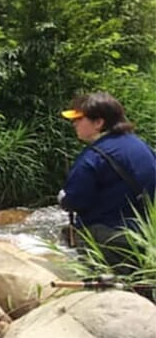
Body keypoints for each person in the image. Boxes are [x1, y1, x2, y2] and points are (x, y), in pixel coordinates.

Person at [58, 92, 156, 272]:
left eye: (79, 119)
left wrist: (63, 198)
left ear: (98, 123)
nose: (74, 123)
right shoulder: (141, 146)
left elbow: (74, 201)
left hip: (114, 239)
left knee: (75, 233)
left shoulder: (92, 158)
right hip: (148, 235)